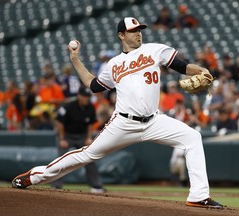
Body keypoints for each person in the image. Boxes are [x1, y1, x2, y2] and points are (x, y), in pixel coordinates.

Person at [12, 17, 223, 209]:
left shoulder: (155, 50)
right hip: (123, 123)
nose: (138, 33)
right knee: (86, 155)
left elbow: (183, 67)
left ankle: (198, 195)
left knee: (193, 138)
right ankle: (36, 175)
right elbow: (93, 85)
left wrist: (203, 71)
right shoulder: (113, 64)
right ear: (121, 35)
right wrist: (76, 60)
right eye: (133, 31)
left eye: (139, 29)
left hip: (154, 121)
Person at [51, 86, 105, 193]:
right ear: (79, 96)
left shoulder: (90, 107)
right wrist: (62, 138)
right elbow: (59, 122)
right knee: (61, 159)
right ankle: (56, 185)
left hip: (82, 136)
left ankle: (96, 186)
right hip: (67, 135)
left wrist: (89, 138)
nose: (86, 99)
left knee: (90, 158)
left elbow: (90, 124)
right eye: (84, 96)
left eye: (88, 97)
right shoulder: (68, 106)